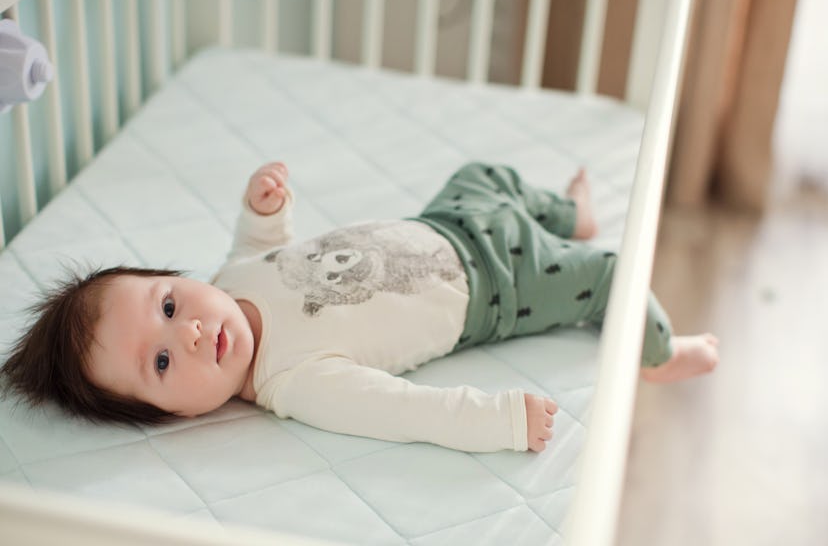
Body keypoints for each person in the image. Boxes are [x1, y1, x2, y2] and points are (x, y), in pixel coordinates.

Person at [0, 162, 718, 453]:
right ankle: (658, 353)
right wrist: (497, 420)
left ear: (179, 278)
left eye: (165, 303)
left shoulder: (232, 276)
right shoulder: (296, 380)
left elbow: (265, 246)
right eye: (159, 362)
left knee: (483, 175)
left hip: (447, 222)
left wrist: (261, 210)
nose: (187, 331)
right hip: (502, 286)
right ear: (179, 414)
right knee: (612, 278)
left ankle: (570, 211)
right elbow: (400, 408)